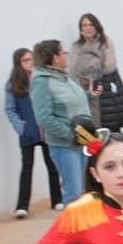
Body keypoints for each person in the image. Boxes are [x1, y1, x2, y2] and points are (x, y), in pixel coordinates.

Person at [29, 40, 93, 210]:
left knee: (85, 192)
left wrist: (88, 96)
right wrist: (71, 135)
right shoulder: (41, 82)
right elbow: (44, 118)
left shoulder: (63, 77)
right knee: (74, 193)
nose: (67, 55)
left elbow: (70, 102)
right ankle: (71, 234)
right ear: (55, 57)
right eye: (63, 52)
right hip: (65, 145)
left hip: (83, 142)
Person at [3, 48, 62, 219]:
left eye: (31, 59)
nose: (30, 63)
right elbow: (10, 109)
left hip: (46, 129)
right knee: (27, 168)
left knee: (52, 165)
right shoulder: (12, 84)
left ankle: (57, 199)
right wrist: (21, 127)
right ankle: (22, 206)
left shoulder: (42, 80)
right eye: (25, 60)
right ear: (18, 63)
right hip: (28, 132)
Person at [71, 13, 123, 133]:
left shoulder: (106, 42)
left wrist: (89, 66)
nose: (87, 28)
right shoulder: (77, 46)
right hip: (86, 89)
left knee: (112, 128)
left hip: (107, 89)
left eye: (90, 25)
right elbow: (74, 69)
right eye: (84, 25)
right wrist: (92, 67)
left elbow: (109, 67)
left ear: (96, 26)